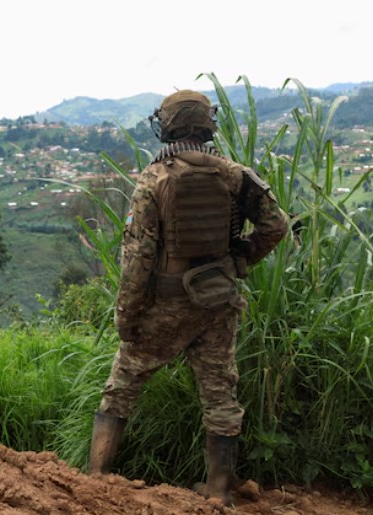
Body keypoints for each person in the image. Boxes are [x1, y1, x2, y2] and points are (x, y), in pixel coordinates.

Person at [88, 91, 289, 504]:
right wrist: (241, 255)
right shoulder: (234, 174)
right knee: (219, 394)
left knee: (123, 383)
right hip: (218, 301)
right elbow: (276, 226)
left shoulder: (154, 178)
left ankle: (93, 479)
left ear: (168, 126)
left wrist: (126, 316)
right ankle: (219, 493)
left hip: (166, 303)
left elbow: (138, 258)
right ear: (206, 124)